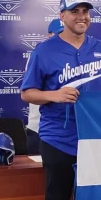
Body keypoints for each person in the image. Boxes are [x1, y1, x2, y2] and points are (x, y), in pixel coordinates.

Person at [20, 0, 101, 200]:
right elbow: (27, 93)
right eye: (75, 11)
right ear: (62, 16)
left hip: (91, 138)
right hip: (57, 138)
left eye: (86, 11)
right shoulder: (44, 51)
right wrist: (54, 95)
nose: (82, 16)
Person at [26, 18, 64, 155]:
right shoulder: (40, 54)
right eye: (57, 34)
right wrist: (56, 95)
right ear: (49, 35)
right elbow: (27, 93)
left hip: (67, 132)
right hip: (40, 129)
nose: (61, 39)